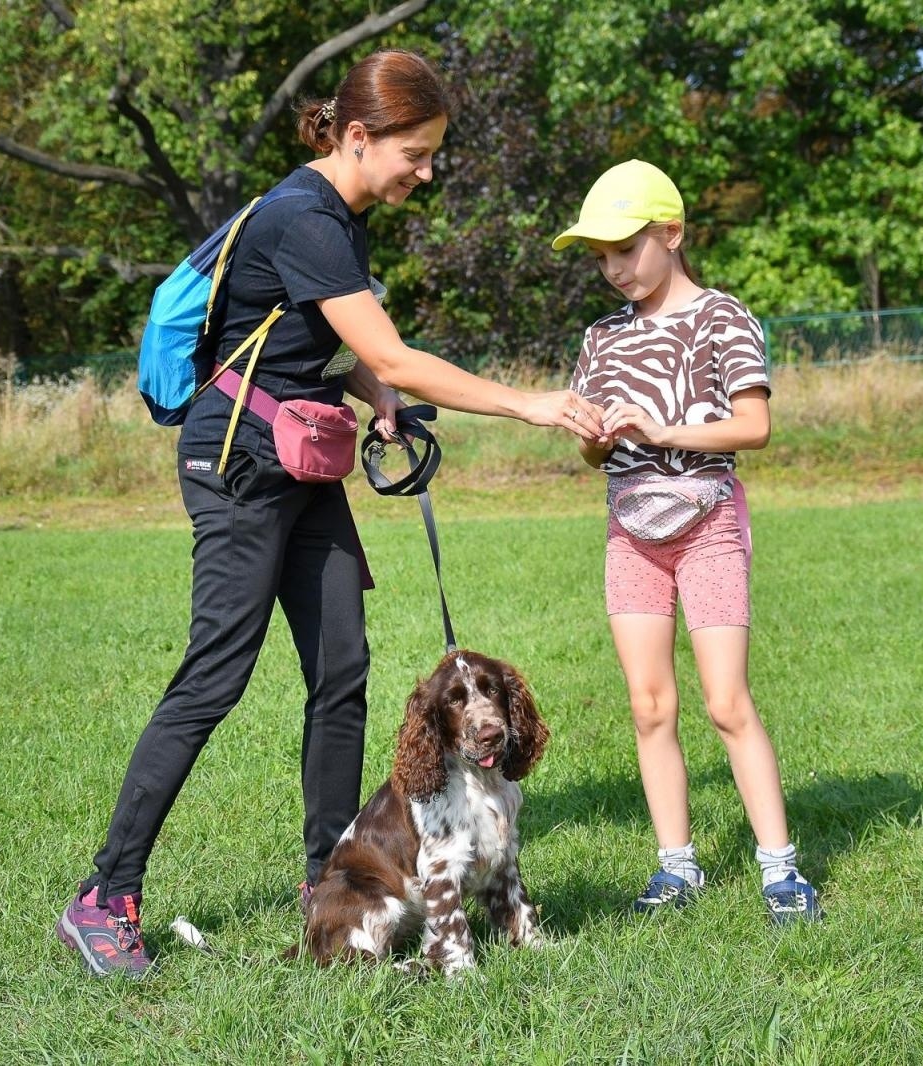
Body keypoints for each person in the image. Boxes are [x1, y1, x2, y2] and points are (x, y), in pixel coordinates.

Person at [55, 49, 606, 978]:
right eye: (415, 154)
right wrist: (528, 403)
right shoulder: (304, 217)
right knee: (214, 676)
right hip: (237, 463)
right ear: (357, 136)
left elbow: (317, 342)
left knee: (342, 667)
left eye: (432, 155)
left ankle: (331, 880)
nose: (425, 173)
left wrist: (373, 396)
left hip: (299, 459)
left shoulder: (341, 222)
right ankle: (105, 896)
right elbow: (391, 350)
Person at [553, 159, 822, 925]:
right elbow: (595, 455)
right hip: (630, 534)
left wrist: (660, 427)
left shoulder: (723, 318)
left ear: (671, 234)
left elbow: (754, 426)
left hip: (708, 528)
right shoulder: (601, 337)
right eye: (600, 257)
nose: (613, 269)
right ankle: (678, 867)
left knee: (726, 702)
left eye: (625, 249)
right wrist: (594, 438)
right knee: (649, 706)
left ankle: (781, 872)